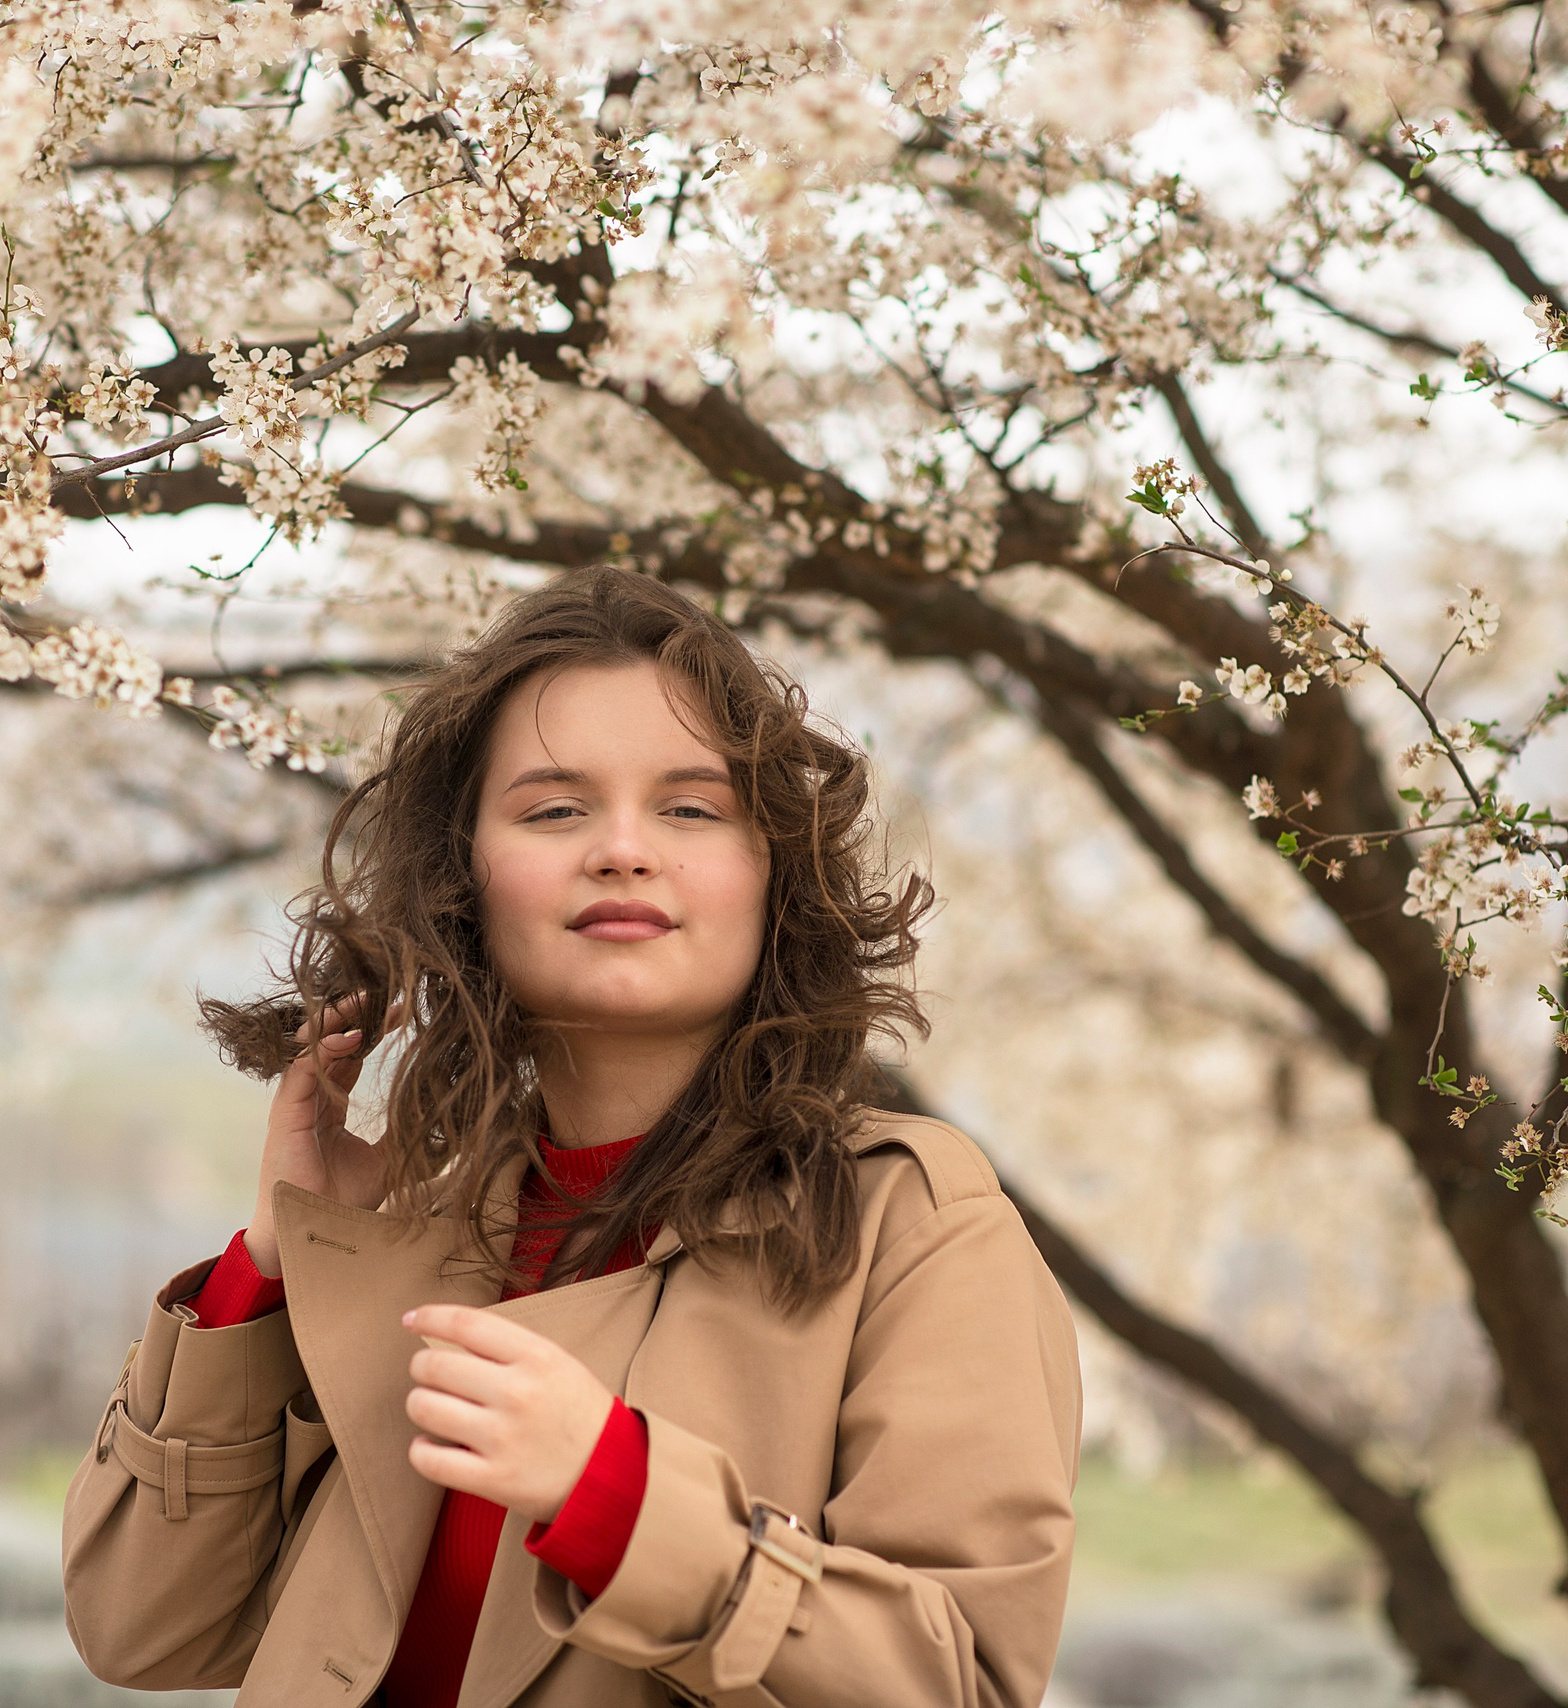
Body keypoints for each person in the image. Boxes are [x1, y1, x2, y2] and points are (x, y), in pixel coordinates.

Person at [61, 568, 1081, 1708]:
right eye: (554, 808)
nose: (623, 849)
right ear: (464, 880)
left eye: (690, 807)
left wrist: (623, 1502)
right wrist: (271, 1266)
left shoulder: (910, 1221)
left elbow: (964, 1686)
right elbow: (142, 1630)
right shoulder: (422, 1230)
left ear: (772, 871)